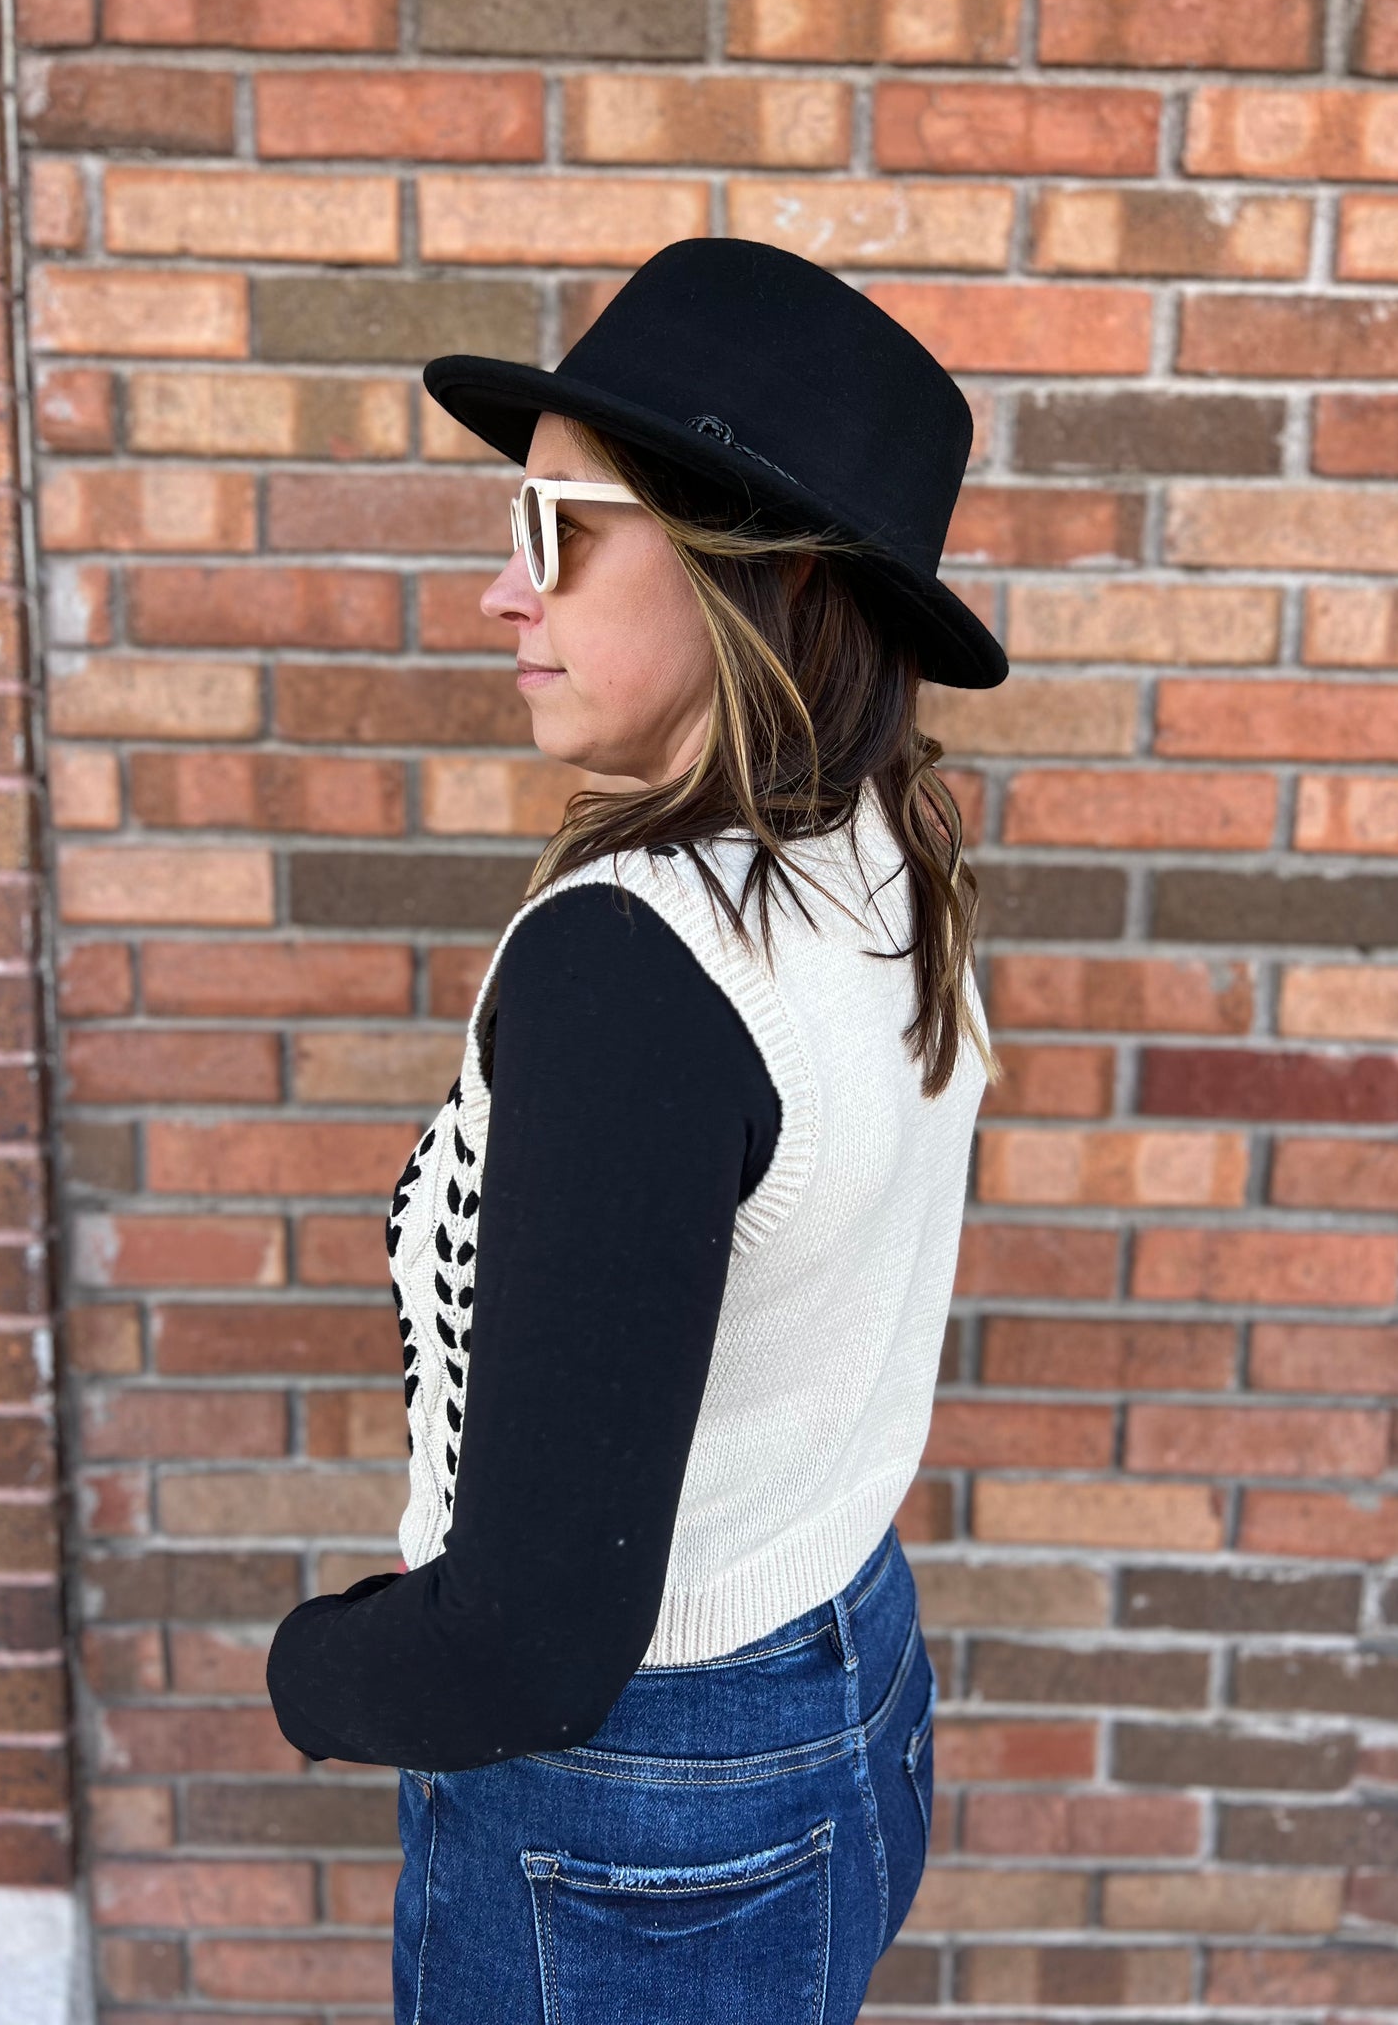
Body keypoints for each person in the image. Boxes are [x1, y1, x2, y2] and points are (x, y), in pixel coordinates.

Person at [265, 236, 1009, 2025]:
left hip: (638, 1836)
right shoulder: (882, 855)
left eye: (558, 532)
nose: (499, 594)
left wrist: (311, 1670)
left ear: (771, 574)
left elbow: (526, 1646)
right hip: (849, 1690)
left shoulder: (636, 968)